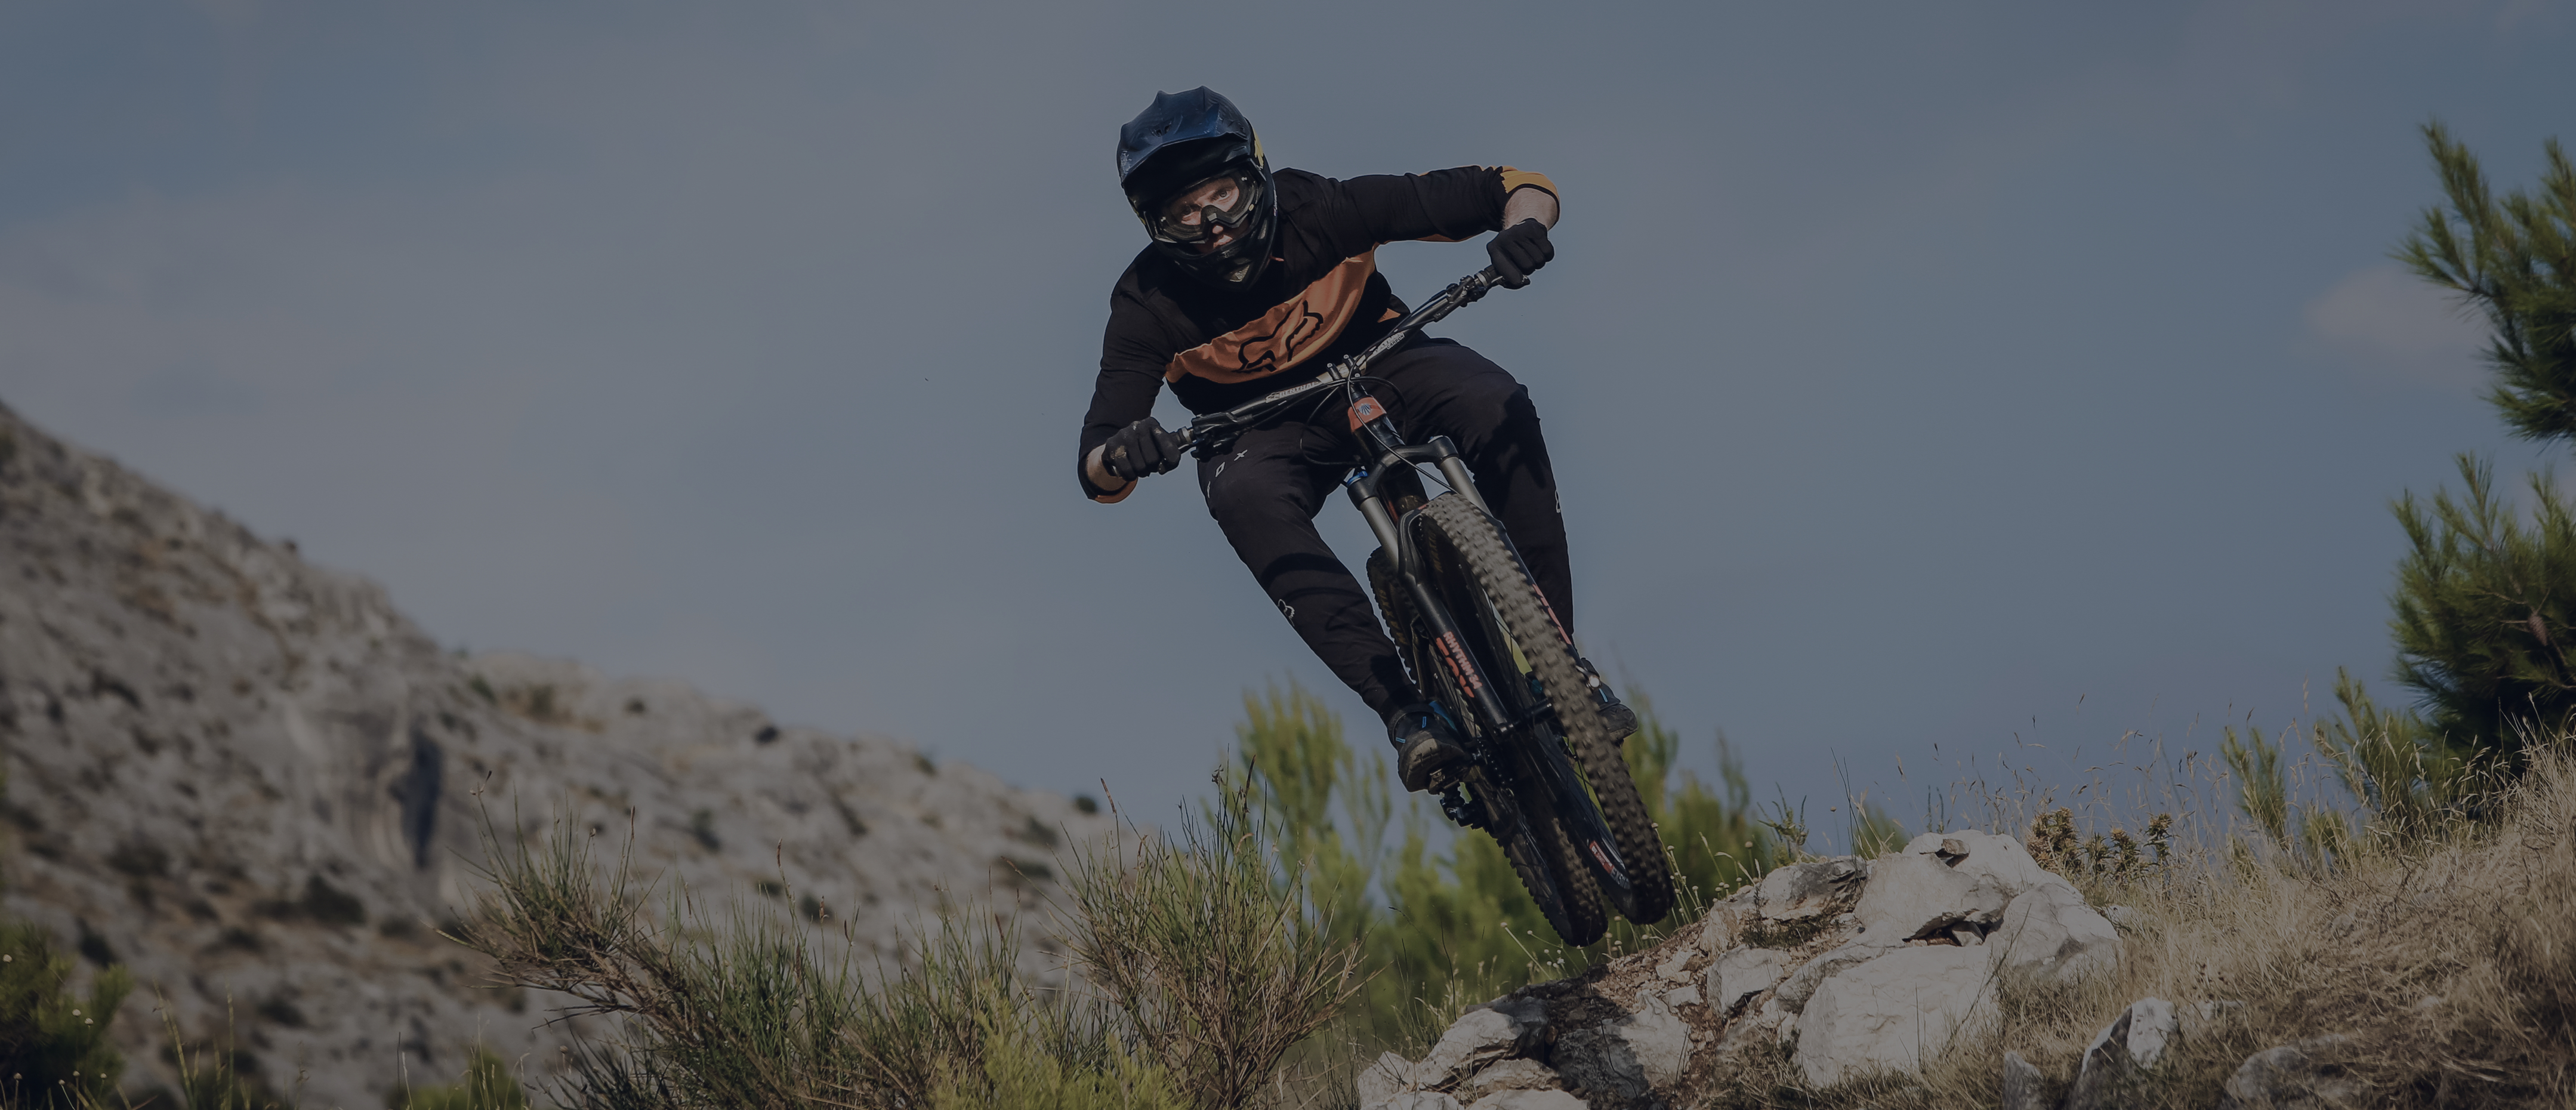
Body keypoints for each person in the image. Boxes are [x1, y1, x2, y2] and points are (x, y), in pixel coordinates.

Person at [1076, 87, 1635, 793]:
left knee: (1498, 400)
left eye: (1222, 193)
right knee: (1243, 498)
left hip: (1388, 362)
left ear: (1258, 175)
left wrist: (1525, 228)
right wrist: (1126, 451)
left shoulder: (1324, 209)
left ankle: (1561, 660)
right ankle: (1408, 715)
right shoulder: (1145, 305)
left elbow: (1513, 187)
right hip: (1261, 430)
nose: (1211, 222)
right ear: (1155, 226)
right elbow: (1096, 463)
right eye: (1183, 213)